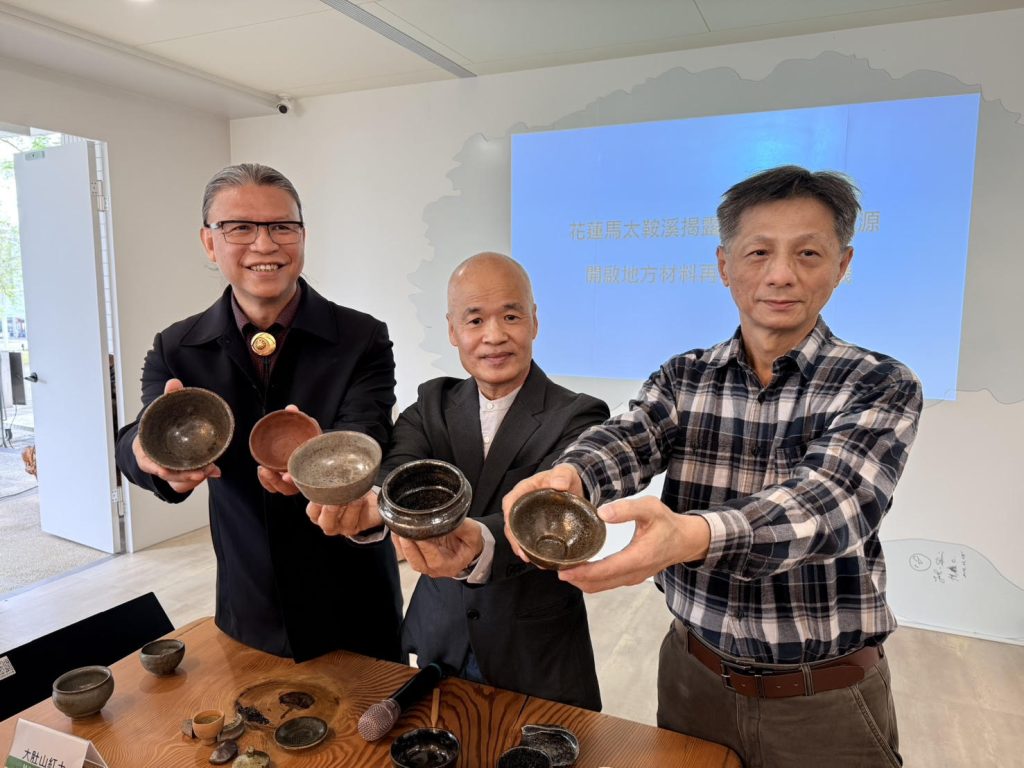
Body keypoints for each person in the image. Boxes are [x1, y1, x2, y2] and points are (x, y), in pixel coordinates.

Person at [503, 166, 922, 766]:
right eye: (759, 252)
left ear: (842, 264)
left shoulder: (878, 383)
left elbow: (831, 503)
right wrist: (572, 475)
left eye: (807, 253)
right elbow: (631, 436)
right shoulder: (685, 376)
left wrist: (690, 537)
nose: (781, 274)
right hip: (692, 679)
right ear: (725, 265)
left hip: (824, 699)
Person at [115, 163, 402, 663]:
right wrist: (147, 456)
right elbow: (143, 436)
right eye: (240, 227)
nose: (265, 245)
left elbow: (367, 432)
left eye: (282, 226)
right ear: (209, 242)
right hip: (249, 599)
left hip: (353, 594)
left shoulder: (362, 337)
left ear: (303, 236)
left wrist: (320, 471)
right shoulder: (177, 347)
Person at [310, 253, 606, 710]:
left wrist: (479, 541)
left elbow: (551, 509)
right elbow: (396, 470)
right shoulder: (433, 403)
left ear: (534, 321)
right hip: (439, 638)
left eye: (511, 316)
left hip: (533, 650)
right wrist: (371, 503)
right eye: (475, 319)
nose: (494, 335)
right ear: (453, 330)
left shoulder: (579, 414)